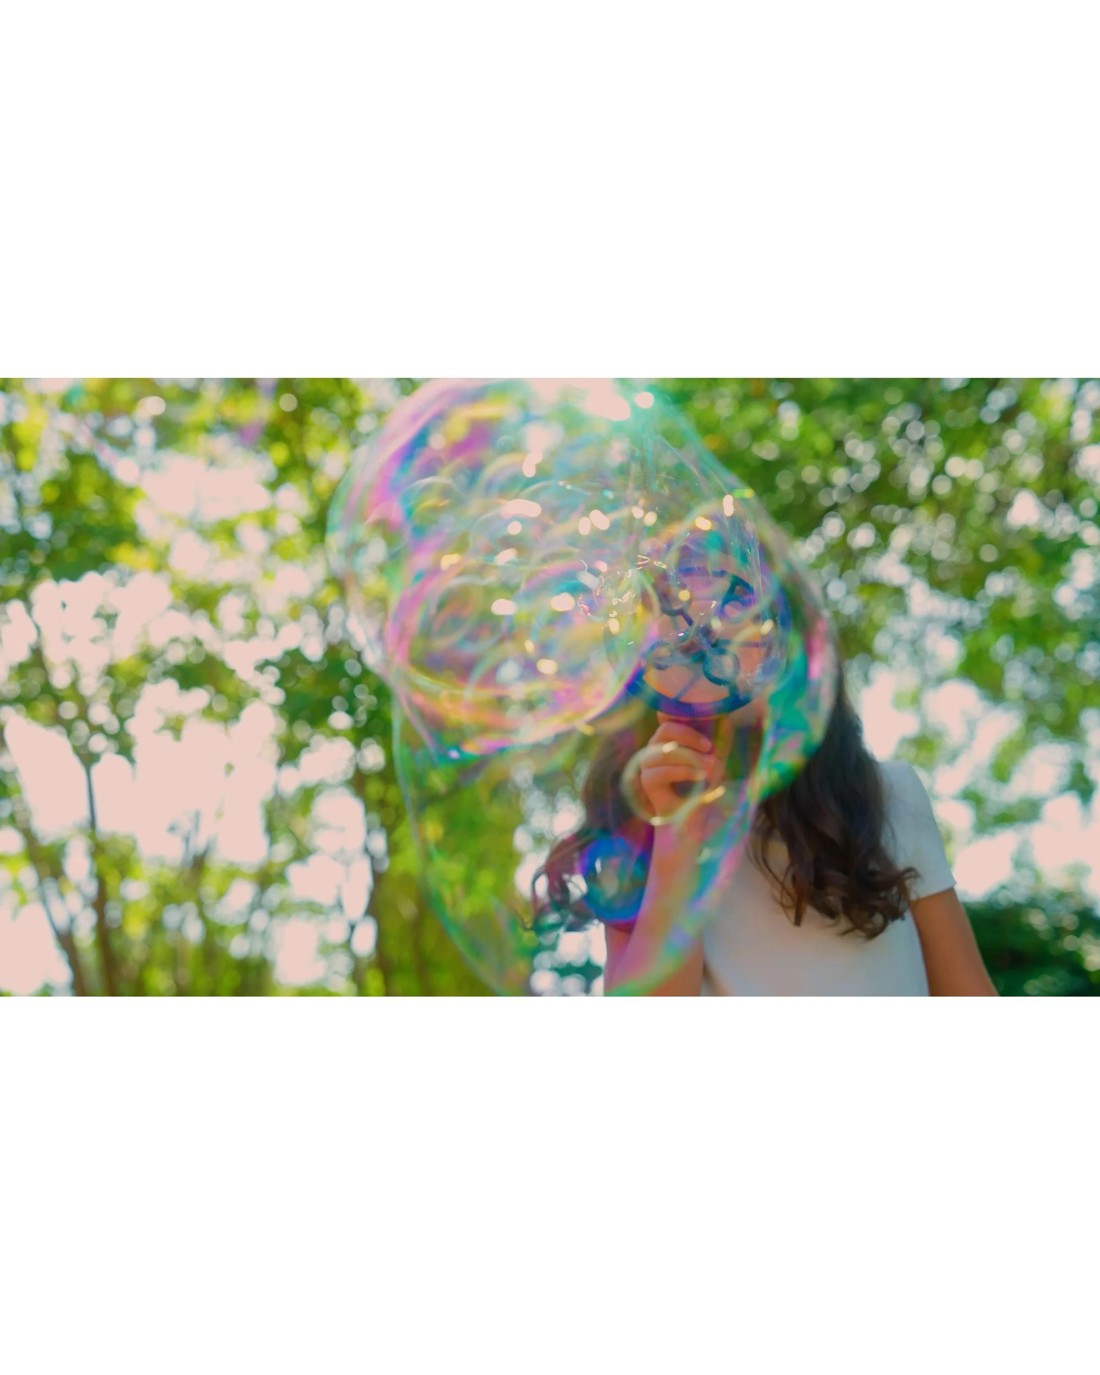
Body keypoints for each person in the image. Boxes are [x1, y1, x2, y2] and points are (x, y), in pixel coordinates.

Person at [533, 667, 998, 997]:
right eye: (687, 626)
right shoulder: (636, 828)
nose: (716, 642)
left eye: (743, 609)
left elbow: (968, 993)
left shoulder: (886, 794)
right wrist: (677, 831)